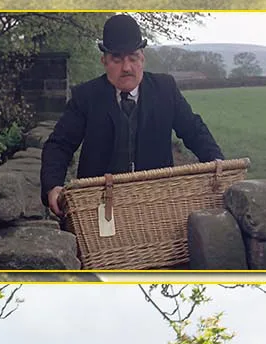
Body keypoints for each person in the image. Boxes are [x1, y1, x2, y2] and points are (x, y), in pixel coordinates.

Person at [40, 14, 224, 218]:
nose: (126, 67)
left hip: (156, 202)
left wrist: (218, 164)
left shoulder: (165, 89)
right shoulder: (85, 97)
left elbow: (194, 130)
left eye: (132, 58)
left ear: (142, 58)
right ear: (104, 61)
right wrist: (52, 186)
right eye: (117, 59)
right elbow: (59, 145)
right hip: (100, 208)